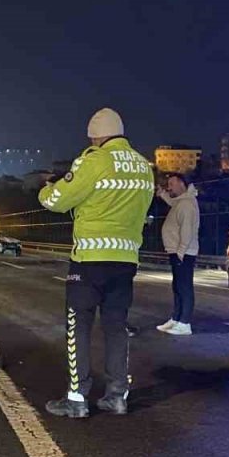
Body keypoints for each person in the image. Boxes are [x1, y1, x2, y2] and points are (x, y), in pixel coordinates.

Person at [39, 107, 155, 417]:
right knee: (116, 328)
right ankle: (117, 395)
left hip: (90, 260)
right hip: (126, 260)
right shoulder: (144, 167)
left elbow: (56, 201)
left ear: (95, 136)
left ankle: (77, 399)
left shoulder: (94, 160)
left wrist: (48, 187)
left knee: (79, 326)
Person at [156, 172, 200, 336]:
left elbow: (187, 230)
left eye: (172, 184)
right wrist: (163, 195)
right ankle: (176, 318)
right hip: (177, 251)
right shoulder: (181, 201)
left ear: (182, 183)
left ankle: (185, 322)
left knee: (184, 287)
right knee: (177, 286)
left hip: (184, 253)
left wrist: (181, 251)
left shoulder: (187, 203)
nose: (170, 187)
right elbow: (173, 202)